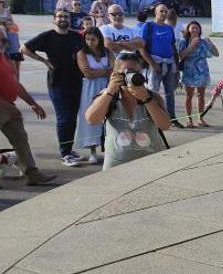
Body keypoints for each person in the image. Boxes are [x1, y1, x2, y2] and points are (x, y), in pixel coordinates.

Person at [84, 51, 171, 170]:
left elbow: (165, 125)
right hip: (116, 164)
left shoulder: (153, 97)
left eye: (136, 72)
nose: (132, 76)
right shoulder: (109, 96)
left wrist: (146, 99)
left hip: (151, 163)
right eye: (126, 72)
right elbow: (91, 119)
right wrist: (109, 91)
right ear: (115, 74)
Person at [20, 10, 86, 167]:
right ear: (54, 20)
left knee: (72, 118)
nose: (63, 19)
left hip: (76, 82)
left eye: (66, 17)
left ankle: (69, 150)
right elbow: (24, 48)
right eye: (60, 17)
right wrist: (43, 60)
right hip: (57, 83)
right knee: (64, 119)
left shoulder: (76, 36)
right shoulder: (47, 36)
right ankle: (65, 154)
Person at [0, 34, 56, 186]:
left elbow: (15, 84)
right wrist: (6, 108)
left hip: (10, 106)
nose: (3, 43)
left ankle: (31, 173)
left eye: (4, 41)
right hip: (4, 107)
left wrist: (33, 104)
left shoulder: (4, 58)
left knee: (20, 140)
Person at [74, 28, 115, 164]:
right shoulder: (82, 53)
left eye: (93, 39)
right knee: (90, 118)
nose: (90, 42)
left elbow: (114, 70)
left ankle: (110, 148)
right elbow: (88, 73)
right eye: (87, 39)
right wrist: (105, 70)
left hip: (106, 86)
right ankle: (92, 151)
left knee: (109, 117)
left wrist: (101, 71)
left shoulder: (107, 52)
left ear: (99, 40)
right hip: (89, 89)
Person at [139, 4, 182, 127]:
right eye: (161, 11)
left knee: (170, 93)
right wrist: (152, 64)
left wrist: (177, 69)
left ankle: (172, 118)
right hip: (154, 65)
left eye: (165, 11)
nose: (163, 13)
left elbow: (173, 48)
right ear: (155, 12)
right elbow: (142, 48)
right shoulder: (148, 27)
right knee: (153, 92)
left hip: (169, 64)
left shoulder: (169, 28)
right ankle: (152, 118)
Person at [177, 21, 218, 128]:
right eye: (192, 28)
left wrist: (210, 43)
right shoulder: (183, 41)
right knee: (189, 96)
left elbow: (216, 54)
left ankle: (200, 118)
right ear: (188, 30)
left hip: (202, 71)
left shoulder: (203, 41)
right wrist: (190, 46)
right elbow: (180, 56)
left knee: (201, 95)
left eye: (197, 28)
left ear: (200, 30)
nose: (195, 30)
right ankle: (189, 119)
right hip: (189, 71)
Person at [0, 0, 23, 78]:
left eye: (1, 2)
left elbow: (12, 23)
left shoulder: (7, 11)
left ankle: (17, 82)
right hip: (3, 34)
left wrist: (7, 24)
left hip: (9, 33)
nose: (0, 3)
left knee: (13, 34)